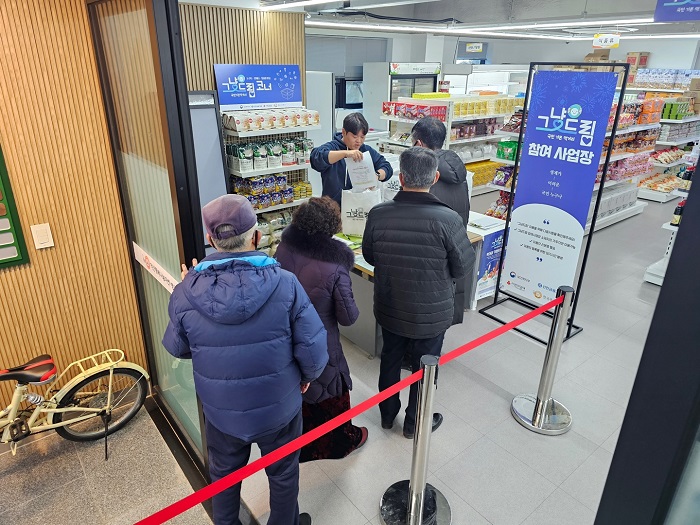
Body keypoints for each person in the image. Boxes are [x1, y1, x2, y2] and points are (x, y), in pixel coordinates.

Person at [163, 194, 328, 525]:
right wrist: (306, 377)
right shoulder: (286, 284)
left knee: (223, 479)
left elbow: (177, 348)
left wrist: (185, 294)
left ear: (211, 240)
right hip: (278, 408)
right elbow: (314, 351)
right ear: (256, 236)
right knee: (283, 476)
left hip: (221, 412)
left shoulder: (186, 292)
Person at [362, 147, 475, 439]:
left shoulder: (378, 214)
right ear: (435, 178)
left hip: (391, 305)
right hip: (431, 311)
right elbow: (463, 266)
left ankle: (387, 415)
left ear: (400, 178)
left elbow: (370, 257)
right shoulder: (449, 219)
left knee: (390, 359)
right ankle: (415, 422)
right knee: (425, 367)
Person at [275, 196, 368, 462]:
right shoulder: (335, 265)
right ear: (332, 226)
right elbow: (348, 317)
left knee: (298, 388)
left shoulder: (284, 247)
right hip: (322, 339)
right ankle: (340, 443)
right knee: (329, 387)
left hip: (286, 333)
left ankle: (302, 446)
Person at [411, 116, 472, 325]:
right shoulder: (457, 170)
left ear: (419, 144)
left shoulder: (424, 173)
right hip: (455, 248)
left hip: (429, 258)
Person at [310, 112, 393, 206]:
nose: (359, 141)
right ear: (344, 132)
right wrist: (345, 154)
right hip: (332, 207)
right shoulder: (332, 147)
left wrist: (376, 176)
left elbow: (387, 167)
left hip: (359, 206)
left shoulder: (365, 150)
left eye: (362, 137)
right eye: (355, 136)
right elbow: (316, 158)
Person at [411, 116, 470, 228]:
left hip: (430, 236)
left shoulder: (421, 171)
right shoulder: (456, 167)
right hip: (457, 235)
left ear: (419, 144)